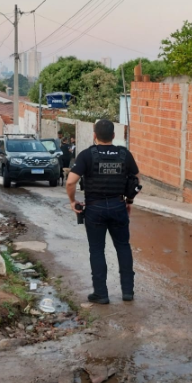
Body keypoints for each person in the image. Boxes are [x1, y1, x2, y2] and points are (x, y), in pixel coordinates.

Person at [66, 119, 139, 304]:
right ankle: (128, 292)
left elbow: (70, 182)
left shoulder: (87, 155)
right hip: (118, 206)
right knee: (123, 247)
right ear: (114, 136)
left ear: (94, 135)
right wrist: (129, 200)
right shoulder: (124, 154)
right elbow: (136, 179)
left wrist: (73, 201)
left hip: (95, 208)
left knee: (97, 250)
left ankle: (101, 293)